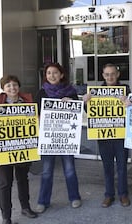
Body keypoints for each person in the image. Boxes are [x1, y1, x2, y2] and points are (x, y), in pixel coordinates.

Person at [0, 75, 38, 224]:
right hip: (4, 150)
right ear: (3, 89)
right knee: (5, 184)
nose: (12, 88)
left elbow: (35, 126)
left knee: (23, 179)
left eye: (15, 85)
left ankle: (25, 207)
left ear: (19, 86)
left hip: (23, 148)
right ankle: (6, 217)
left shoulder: (28, 104)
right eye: (8, 86)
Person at [35, 63, 82, 213]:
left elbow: (78, 112)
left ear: (61, 75)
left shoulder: (71, 92)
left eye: (55, 73)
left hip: (66, 139)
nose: (52, 76)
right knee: (47, 171)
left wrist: (73, 103)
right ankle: (43, 201)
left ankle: (74, 197)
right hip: (48, 139)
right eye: (49, 73)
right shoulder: (41, 93)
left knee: (69, 169)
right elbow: (35, 115)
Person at [83, 64, 131, 208]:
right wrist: (86, 102)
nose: (110, 77)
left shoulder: (126, 90)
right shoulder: (95, 92)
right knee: (107, 167)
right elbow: (90, 111)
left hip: (120, 135)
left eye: (112, 74)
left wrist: (129, 102)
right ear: (103, 76)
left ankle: (123, 194)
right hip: (104, 136)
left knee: (122, 167)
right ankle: (109, 195)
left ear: (117, 74)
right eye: (107, 74)